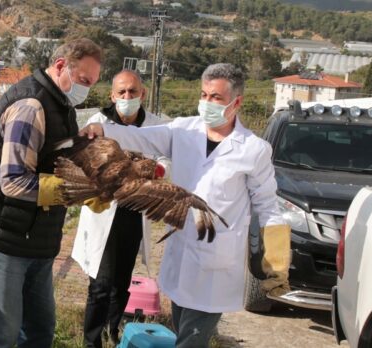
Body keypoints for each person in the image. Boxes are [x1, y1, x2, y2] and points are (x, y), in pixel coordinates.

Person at [79, 63, 291, 347]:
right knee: (182, 329)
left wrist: (276, 263)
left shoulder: (253, 150)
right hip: (181, 255)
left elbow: (267, 206)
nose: (206, 103)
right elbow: (141, 137)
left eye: (215, 97)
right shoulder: (183, 130)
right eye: (203, 95)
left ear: (236, 102)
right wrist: (102, 129)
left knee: (191, 340)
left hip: (217, 263)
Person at [0, 38, 102, 347]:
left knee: (39, 330)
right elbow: (12, 181)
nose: (86, 89)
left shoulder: (61, 105)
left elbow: (49, 156)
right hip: (1, 240)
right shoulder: (31, 105)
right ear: (62, 66)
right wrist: (75, 191)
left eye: (92, 83)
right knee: (1, 334)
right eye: (84, 81)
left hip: (33, 240)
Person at [71, 69, 170, 348]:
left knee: (121, 282)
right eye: (122, 92)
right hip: (103, 210)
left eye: (133, 92)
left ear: (143, 94)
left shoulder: (157, 125)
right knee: (100, 285)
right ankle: (92, 342)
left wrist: (156, 171)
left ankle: (112, 334)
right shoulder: (97, 123)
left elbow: (166, 159)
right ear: (112, 95)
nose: (128, 97)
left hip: (134, 211)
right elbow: (82, 159)